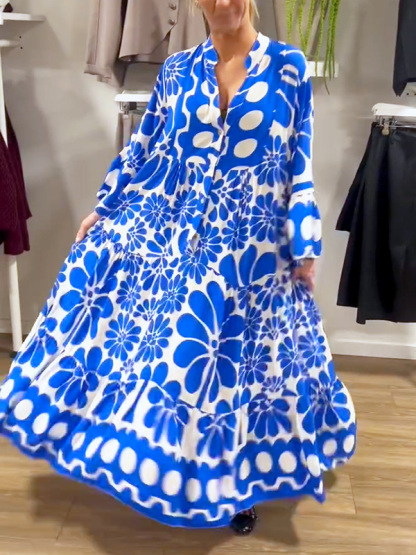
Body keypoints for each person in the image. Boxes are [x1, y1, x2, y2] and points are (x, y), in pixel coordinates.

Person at [0, 0, 356, 536]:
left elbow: (296, 164)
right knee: (180, 361)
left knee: (240, 370)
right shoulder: (177, 69)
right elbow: (145, 150)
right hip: (181, 232)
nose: (221, 3)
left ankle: (237, 486)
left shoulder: (288, 68)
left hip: (254, 245)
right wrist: (107, 206)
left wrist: (304, 242)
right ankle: (162, 466)